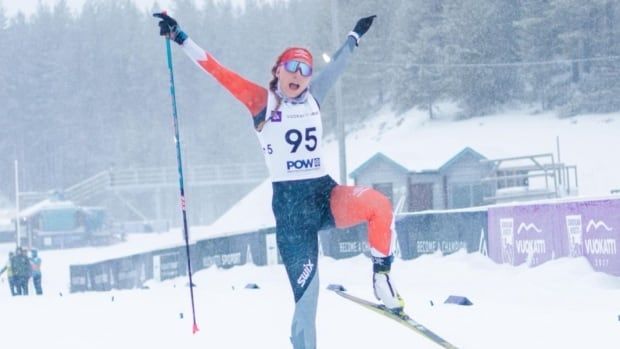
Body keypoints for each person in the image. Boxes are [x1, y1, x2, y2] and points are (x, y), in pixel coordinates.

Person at [154, 12, 404, 348]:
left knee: (378, 204)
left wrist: (356, 34)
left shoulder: (315, 96)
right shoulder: (262, 101)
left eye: (305, 69)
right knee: (308, 303)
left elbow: (341, 62)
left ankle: (382, 276)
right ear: (278, 70)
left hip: (324, 195)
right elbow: (217, 71)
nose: (299, 75)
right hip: (291, 215)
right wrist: (180, 38)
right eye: (292, 67)